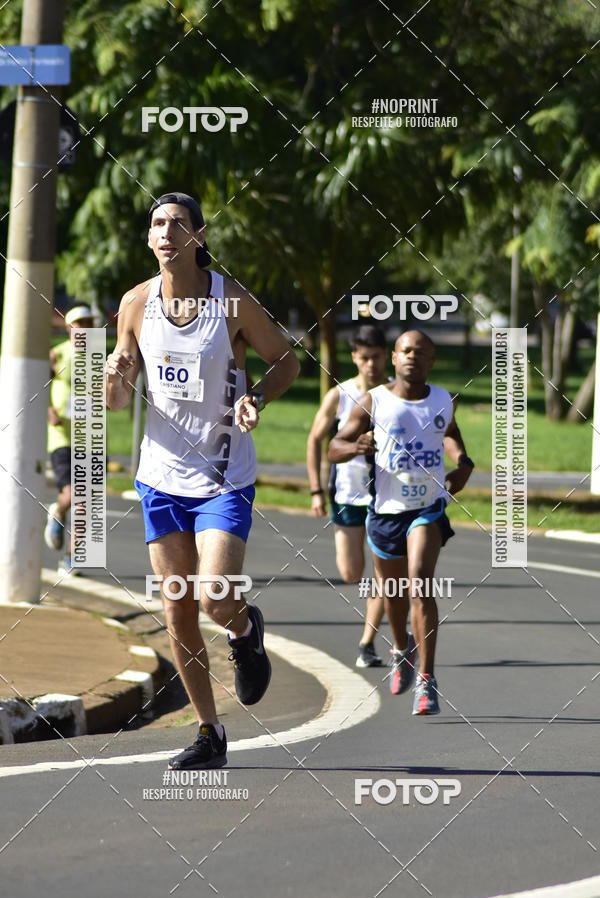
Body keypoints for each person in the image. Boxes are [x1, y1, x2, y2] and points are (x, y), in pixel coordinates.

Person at [105, 192, 299, 769]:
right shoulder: (135, 303)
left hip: (222, 473)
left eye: (177, 223)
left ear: (199, 236)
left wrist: (254, 396)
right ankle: (209, 732)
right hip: (160, 477)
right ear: (149, 238)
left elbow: (286, 361)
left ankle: (244, 630)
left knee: (214, 594)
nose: (166, 232)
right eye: (157, 224)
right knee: (177, 609)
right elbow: (117, 401)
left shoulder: (231, 301)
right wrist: (116, 374)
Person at [329, 330, 474, 714]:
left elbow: (450, 433)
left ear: (431, 361)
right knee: (393, 593)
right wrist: (355, 446)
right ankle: (400, 647)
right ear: (394, 358)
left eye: (420, 352)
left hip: (428, 507)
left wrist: (463, 463)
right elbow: (334, 447)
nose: (412, 356)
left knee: (420, 582)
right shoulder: (373, 401)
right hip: (385, 511)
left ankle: (427, 680)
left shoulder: (442, 399)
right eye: (405, 351)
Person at [307, 324, 388, 668]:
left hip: (386, 497)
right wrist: (316, 490)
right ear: (355, 357)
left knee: (385, 573)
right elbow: (315, 440)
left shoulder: (395, 394)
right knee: (351, 572)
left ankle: (367, 642)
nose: (371, 364)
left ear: (387, 357)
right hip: (345, 494)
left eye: (377, 357)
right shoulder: (339, 395)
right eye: (364, 357)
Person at [44, 305, 95, 574]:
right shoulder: (58, 354)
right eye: (79, 323)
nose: (84, 327)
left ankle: (72, 557)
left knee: (85, 500)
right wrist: (49, 410)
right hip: (62, 436)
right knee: (75, 493)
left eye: (88, 323)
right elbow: (39, 385)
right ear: (68, 327)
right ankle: (59, 511)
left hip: (90, 437)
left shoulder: (99, 357)